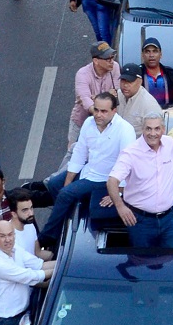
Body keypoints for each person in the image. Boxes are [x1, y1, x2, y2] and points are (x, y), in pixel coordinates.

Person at [40, 93, 135, 246]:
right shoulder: (88, 123)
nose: (98, 115)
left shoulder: (125, 130)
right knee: (54, 184)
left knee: (65, 195)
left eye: (104, 111)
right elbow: (79, 153)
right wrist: (67, 182)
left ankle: (47, 238)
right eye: (96, 110)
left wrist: (117, 193)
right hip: (88, 171)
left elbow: (127, 164)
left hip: (105, 179)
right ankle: (65, 214)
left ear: (114, 111)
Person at [107, 115, 173, 249]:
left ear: (163, 129)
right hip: (140, 222)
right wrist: (120, 206)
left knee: (170, 263)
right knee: (140, 263)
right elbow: (112, 181)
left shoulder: (169, 143)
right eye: (148, 129)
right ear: (142, 130)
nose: (153, 133)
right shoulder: (130, 153)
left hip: (170, 219)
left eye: (157, 128)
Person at [68, 41, 121, 145]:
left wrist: (95, 97)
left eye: (112, 57)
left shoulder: (115, 67)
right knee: (73, 151)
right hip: (81, 121)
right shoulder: (82, 74)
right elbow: (86, 101)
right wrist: (105, 98)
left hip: (107, 123)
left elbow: (115, 94)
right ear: (96, 61)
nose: (112, 61)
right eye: (107, 59)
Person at [116, 63, 162, 135]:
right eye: (123, 80)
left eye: (130, 81)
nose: (125, 85)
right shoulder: (117, 95)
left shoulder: (149, 104)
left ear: (140, 82)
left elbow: (157, 134)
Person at [141, 37, 173, 108]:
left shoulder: (169, 73)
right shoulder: (138, 73)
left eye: (155, 51)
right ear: (142, 55)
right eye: (147, 51)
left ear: (160, 54)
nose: (151, 55)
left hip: (167, 114)